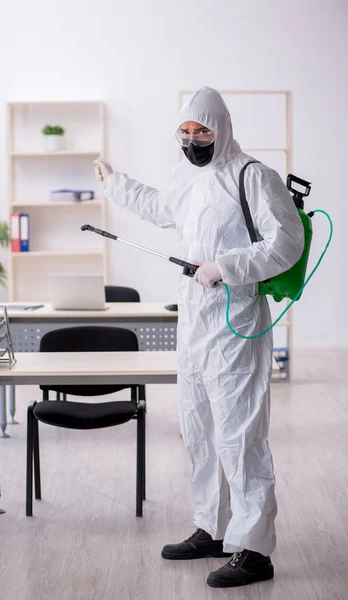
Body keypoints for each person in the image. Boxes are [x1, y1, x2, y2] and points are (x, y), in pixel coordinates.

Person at [94, 86, 304, 589]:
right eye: (186, 132)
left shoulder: (254, 177)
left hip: (236, 319)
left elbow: (288, 242)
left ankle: (254, 549)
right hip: (193, 321)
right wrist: (114, 183)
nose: (194, 140)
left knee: (240, 434)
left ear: (223, 129)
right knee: (199, 430)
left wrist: (226, 267)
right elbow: (160, 207)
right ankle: (211, 528)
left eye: (203, 131)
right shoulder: (187, 177)